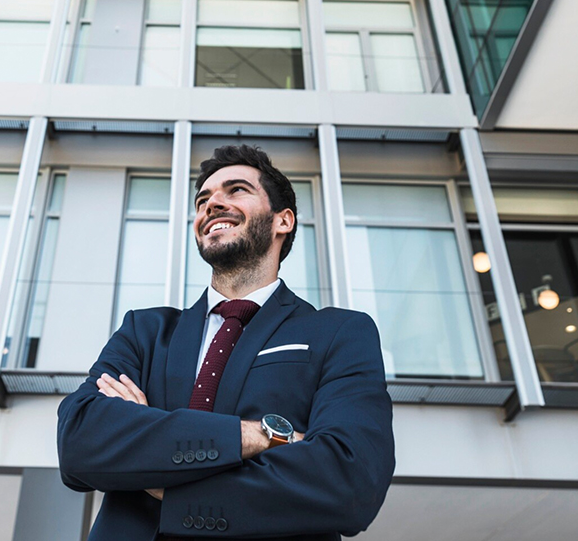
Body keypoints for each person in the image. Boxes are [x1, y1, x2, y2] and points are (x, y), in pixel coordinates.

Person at [57, 144, 395, 540]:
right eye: (203, 199)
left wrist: (156, 468)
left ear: (282, 221)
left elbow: (350, 481)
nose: (212, 204)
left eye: (236, 190)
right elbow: (80, 443)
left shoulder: (339, 332)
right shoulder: (145, 332)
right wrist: (264, 436)